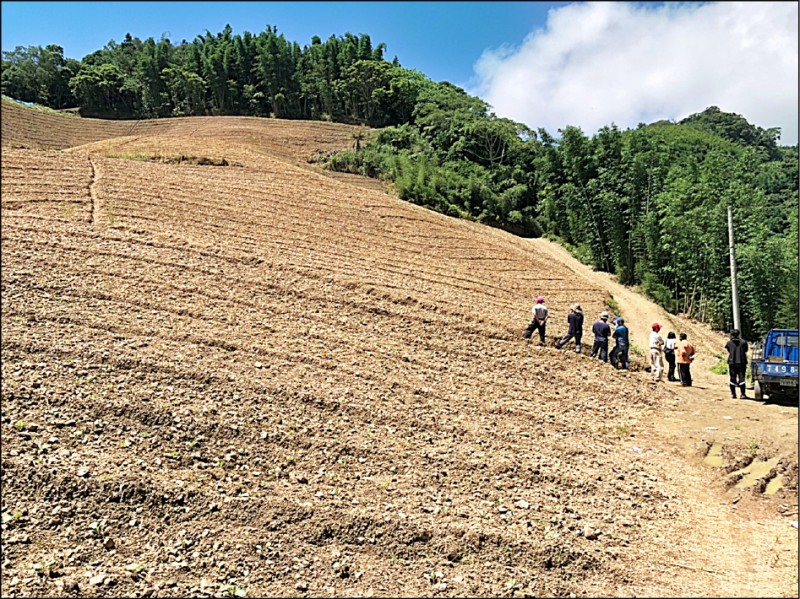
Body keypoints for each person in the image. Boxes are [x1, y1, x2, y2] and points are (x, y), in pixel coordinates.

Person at [725, 329, 749, 398]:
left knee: (732, 378)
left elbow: (728, 350)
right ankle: (743, 394)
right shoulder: (744, 342)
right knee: (742, 378)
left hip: (732, 362)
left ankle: (733, 394)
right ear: (738, 334)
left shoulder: (729, 343)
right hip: (741, 362)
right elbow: (746, 350)